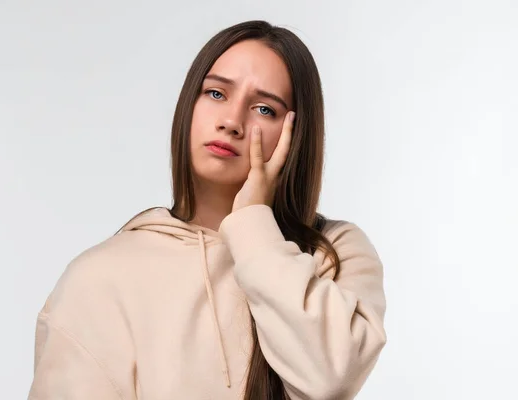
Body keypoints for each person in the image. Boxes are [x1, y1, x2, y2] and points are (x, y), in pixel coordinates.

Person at [27, 20, 387, 400]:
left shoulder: (335, 252)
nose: (231, 122)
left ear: (295, 135)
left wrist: (252, 222)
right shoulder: (99, 277)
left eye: (264, 109)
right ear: (189, 103)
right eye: (216, 94)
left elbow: (331, 379)